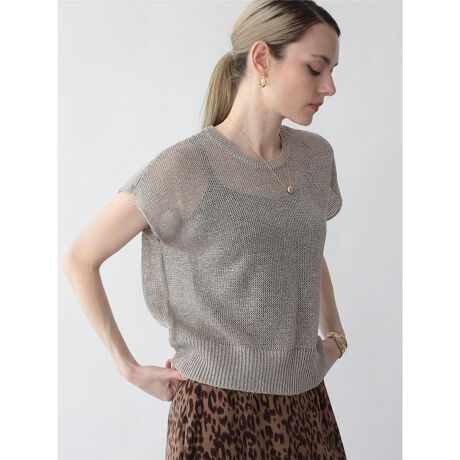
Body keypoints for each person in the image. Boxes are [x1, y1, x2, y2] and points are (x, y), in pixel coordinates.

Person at [63, 0, 349, 458]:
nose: (329, 86)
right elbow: (81, 258)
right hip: (215, 415)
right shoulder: (187, 168)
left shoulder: (315, 158)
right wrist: (128, 367)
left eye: (332, 71)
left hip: (308, 406)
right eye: (315, 69)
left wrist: (333, 335)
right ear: (261, 59)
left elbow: (304, 246)